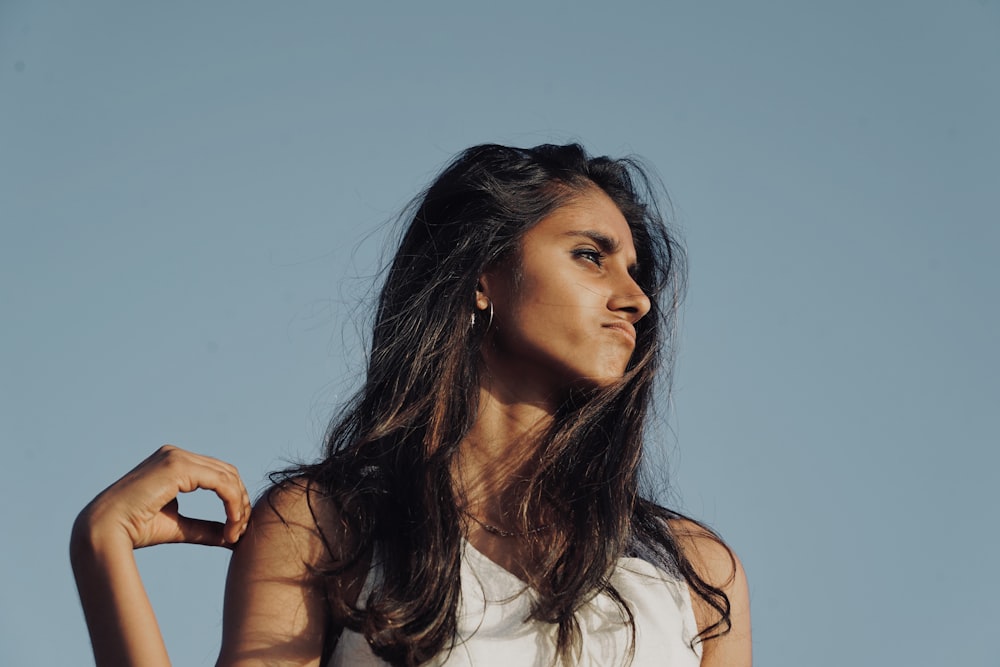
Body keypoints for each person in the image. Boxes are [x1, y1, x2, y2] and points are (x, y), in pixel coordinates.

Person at [71, 143, 751, 666]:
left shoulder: (692, 572)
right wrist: (100, 547)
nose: (634, 299)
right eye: (588, 255)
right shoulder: (326, 529)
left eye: (635, 272)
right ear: (481, 277)